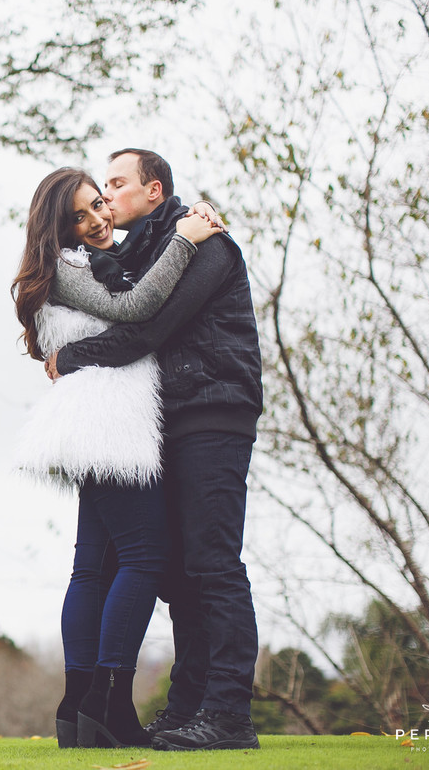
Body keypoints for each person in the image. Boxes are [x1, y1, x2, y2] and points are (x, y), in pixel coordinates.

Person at [46, 149, 263, 751]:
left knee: (215, 567)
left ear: (154, 190)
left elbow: (147, 331)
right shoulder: (142, 253)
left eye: (116, 184)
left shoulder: (205, 244)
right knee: (180, 576)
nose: (107, 197)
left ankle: (228, 715)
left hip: (213, 412)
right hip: (168, 423)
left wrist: (69, 359)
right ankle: (189, 706)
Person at [11, 167, 222, 749]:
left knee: (93, 567)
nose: (99, 219)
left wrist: (176, 222)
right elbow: (136, 308)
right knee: (145, 556)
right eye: (80, 215)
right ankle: (108, 702)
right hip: (107, 422)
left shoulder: (85, 262)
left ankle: (78, 706)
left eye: (100, 203)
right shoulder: (67, 268)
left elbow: (130, 277)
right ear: (58, 228)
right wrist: (187, 238)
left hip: (92, 421)